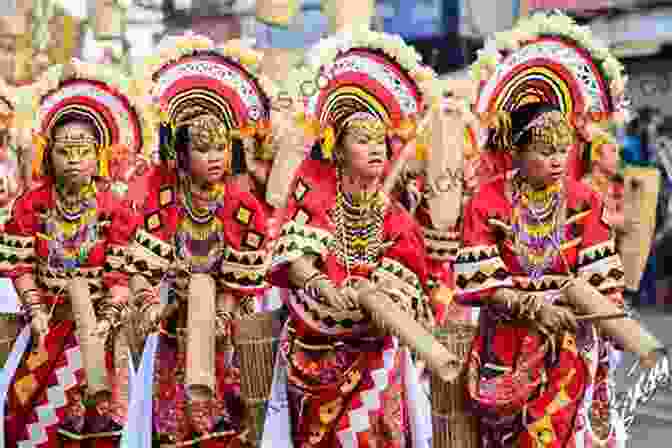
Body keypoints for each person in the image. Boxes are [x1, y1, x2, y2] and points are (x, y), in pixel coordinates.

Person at [457, 12, 666, 447]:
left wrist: (610, 320)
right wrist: (532, 307)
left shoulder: (582, 198)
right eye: (542, 149)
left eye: (562, 150)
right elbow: (481, 279)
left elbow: (599, 270)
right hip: (508, 340)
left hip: (571, 338)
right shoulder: (488, 200)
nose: (556, 160)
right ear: (515, 149)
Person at [264, 29, 440, 448]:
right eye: (363, 141)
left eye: (381, 140)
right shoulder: (315, 190)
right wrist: (321, 284)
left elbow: (409, 275)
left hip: (374, 347)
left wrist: (383, 291)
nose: (377, 150)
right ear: (338, 149)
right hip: (316, 344)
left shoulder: (395, 213)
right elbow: (297, 256)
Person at [124, 35, 275, 446]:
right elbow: (143, 265)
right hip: (174, 324)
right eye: (203, 147)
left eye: (223, 146)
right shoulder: (165, 196)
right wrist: (150, 303)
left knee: (233, 421)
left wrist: (222, 313)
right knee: (170, 425)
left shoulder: (243, 203)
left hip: (230, 326)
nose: (216, 157)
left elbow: (245, 274)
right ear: (180, 151)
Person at [0, 60, 143, 446]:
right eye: (65, 152)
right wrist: (36, 310)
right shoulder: (32, 204)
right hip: (47, 325)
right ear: (49, 155)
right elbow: (20, 264)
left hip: (99, 329)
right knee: (23, 412)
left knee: (101, 423)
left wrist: (109, 317)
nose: (75, 160)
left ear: (99, 155)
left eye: (84, 151)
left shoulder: (114, 208)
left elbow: (121, 275)